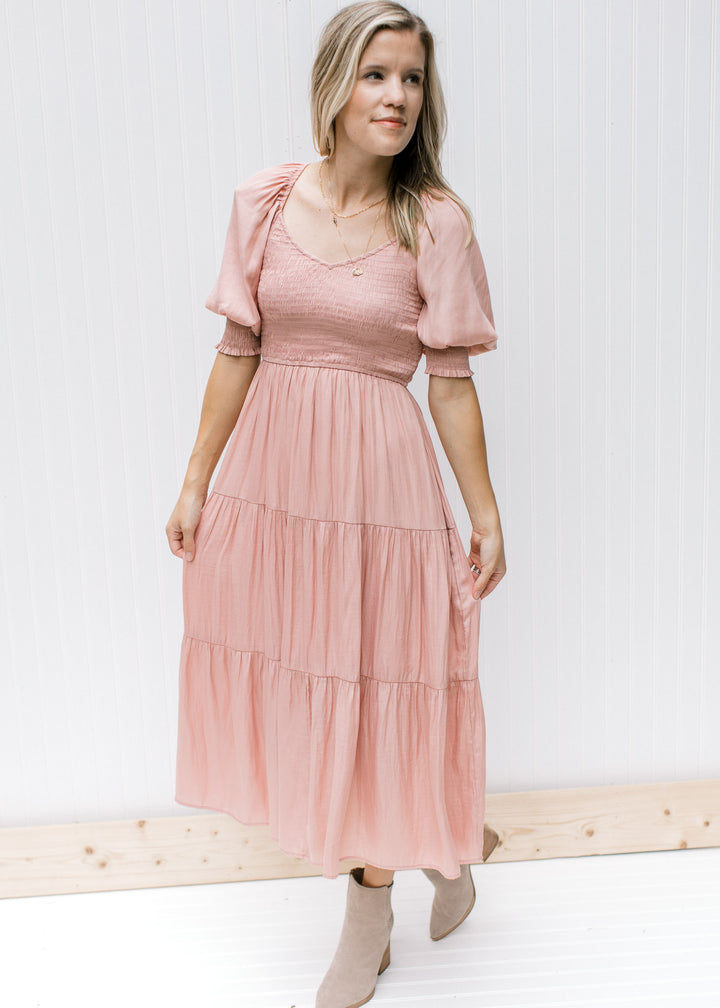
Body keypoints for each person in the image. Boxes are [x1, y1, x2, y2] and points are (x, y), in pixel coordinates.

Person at [165, 2, 507, 1005]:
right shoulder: (265, 202)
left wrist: (486, 513)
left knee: (373, 691)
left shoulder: (435, 221)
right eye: (376, 74)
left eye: (412, 78)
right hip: (276, 486)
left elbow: (451, 383)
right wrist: (195, 480)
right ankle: (444, 846)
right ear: (334, 84)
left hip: (379, 490)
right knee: (305, 681)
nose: (397, 96)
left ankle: (369, 915)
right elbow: (238, 349)